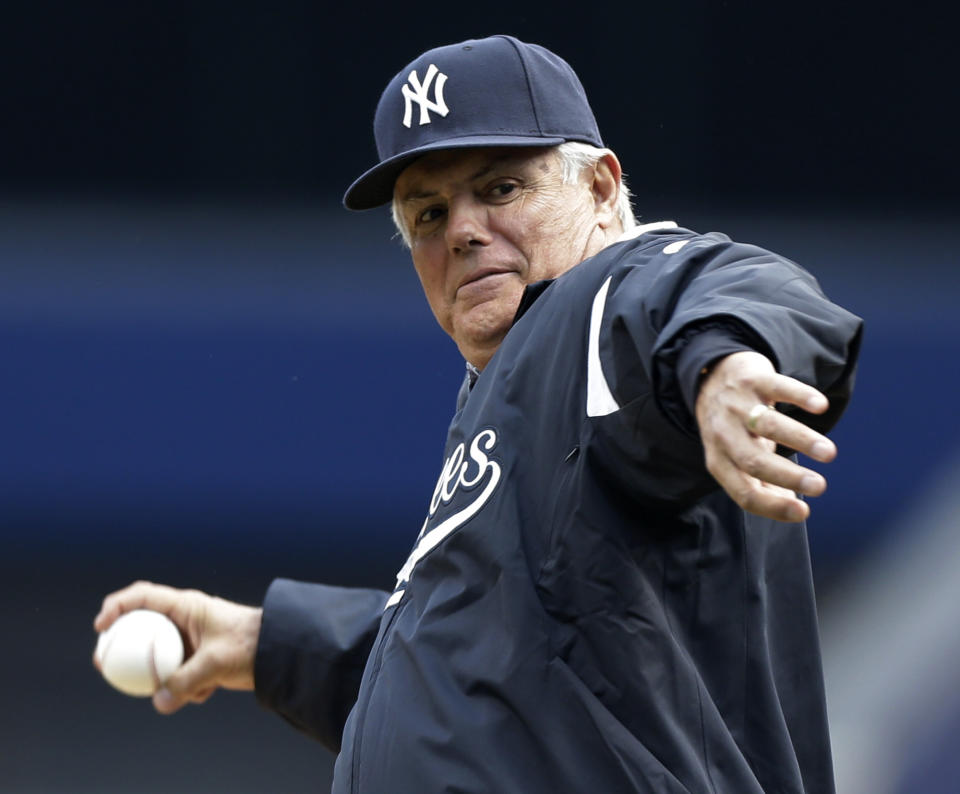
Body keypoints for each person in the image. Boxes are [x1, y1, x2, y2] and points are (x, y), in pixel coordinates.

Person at [94, 35, 862, 793]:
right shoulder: (523, 384)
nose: (460, 229)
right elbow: (502, 676)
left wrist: (724, 360)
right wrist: (271, 643)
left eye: (500, 189)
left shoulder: (602, 301)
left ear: (599, 187)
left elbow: (721, 281)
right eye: (427, 213)